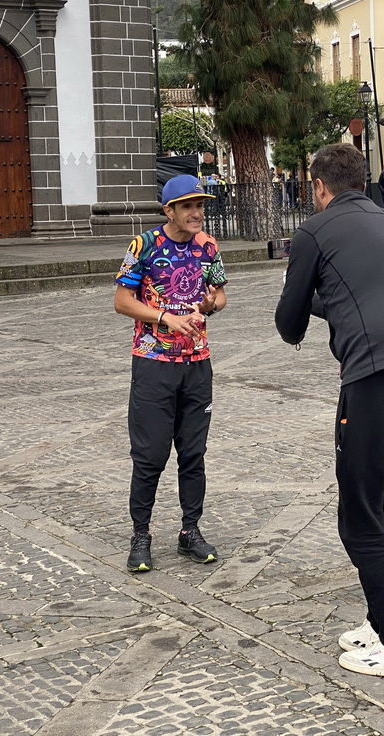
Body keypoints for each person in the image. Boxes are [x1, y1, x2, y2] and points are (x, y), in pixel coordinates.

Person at [275, 144, 384, 679]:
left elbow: (290, 326)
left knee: (359, 514)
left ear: (319, 186)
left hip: (375, 378)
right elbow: (372, 294)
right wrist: (331, 293)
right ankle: (381, 623)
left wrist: (301, 281)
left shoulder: (313, 233)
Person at [114, 174, 229, 573]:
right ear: (170, 210)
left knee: (193, 454)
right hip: (153, 364)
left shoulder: (208, 246)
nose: (197, 213)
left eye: (200, 205)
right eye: (188, 206)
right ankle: (140, 535)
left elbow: (220, 295)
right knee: (149, 455)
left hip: (198, 364)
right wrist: (165, 318)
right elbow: (122, 301)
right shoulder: (143, 245)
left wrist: (209, 305)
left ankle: (190, 531)